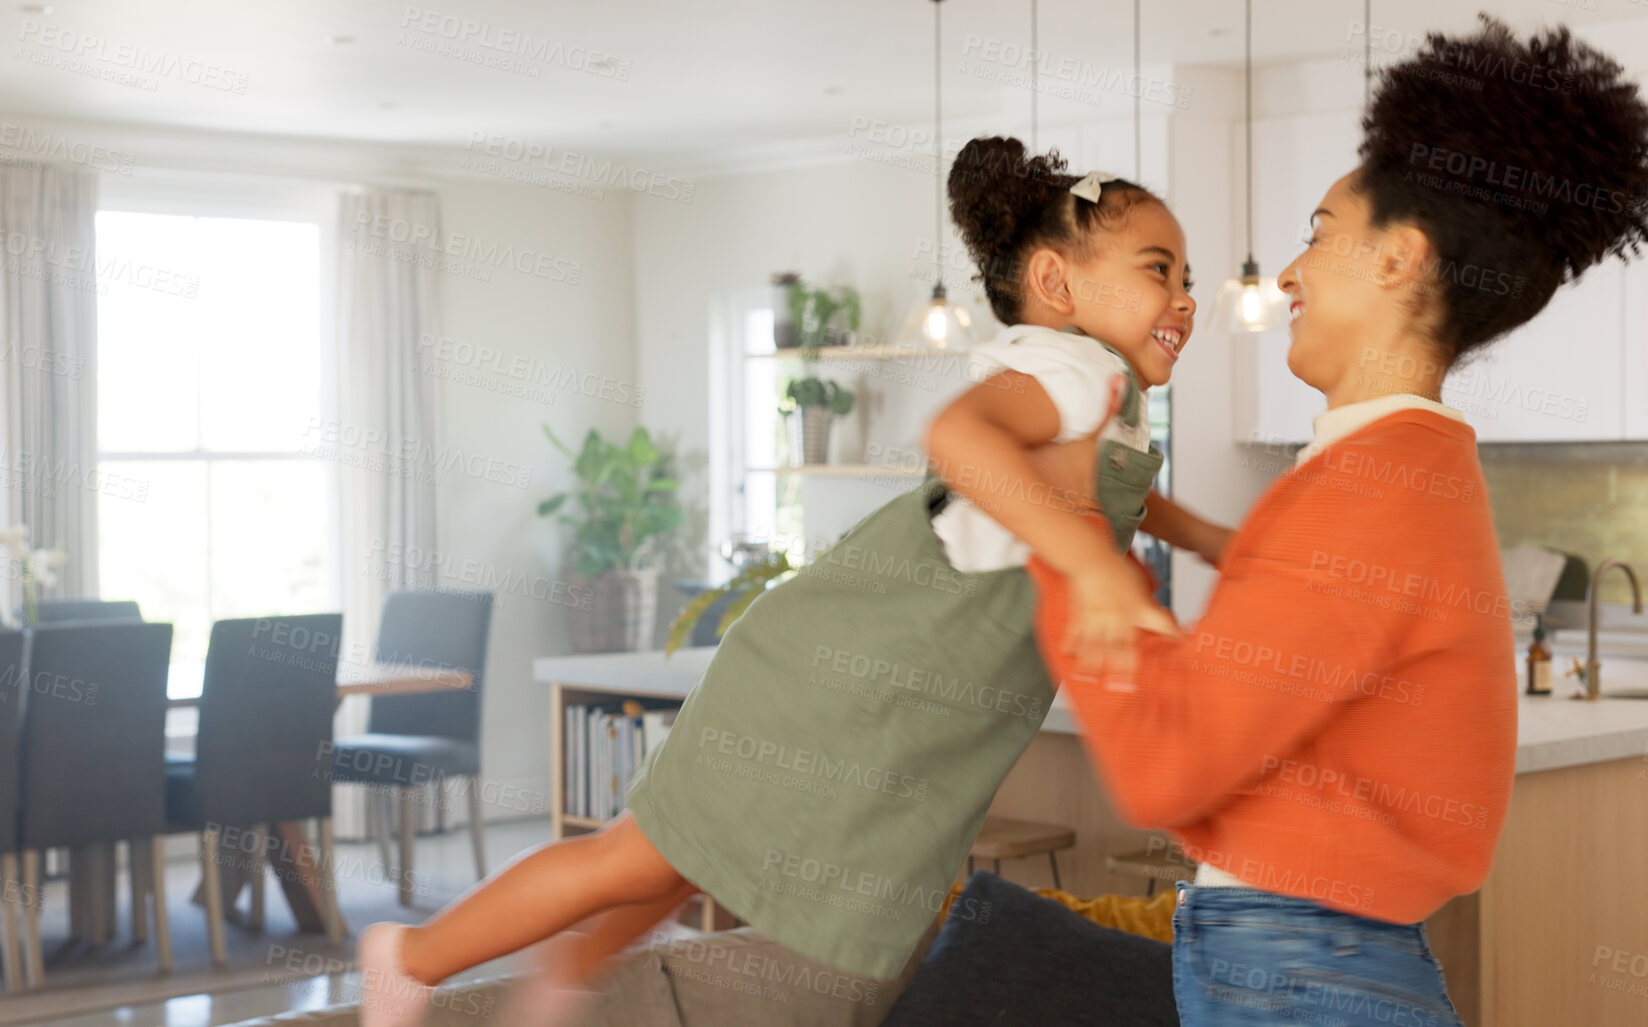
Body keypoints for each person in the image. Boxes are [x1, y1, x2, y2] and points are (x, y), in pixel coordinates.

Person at [356, 135, 1233, 1026]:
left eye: (1187, 274)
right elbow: (958, 439)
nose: (1184, 296)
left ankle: (559, 981)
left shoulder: (1105, 399)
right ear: (1056, 284)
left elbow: (1112, 488)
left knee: (686, 854)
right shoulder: (1075, 368)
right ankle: (412, 953)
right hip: (837, 676)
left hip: (870, 684)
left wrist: (1200, 534)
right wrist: (1092, 564)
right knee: (642, 856)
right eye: (1158, 269)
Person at [1024, 16, 1648, 1027]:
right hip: (1316, 952)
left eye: (1320, 231)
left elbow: (1169, 765)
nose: (1287, 271)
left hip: (1297, 965)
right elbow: (1228, 741)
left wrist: (1058, 550)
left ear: (1398, 260)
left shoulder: (1372, 489)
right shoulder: (1404, 471)